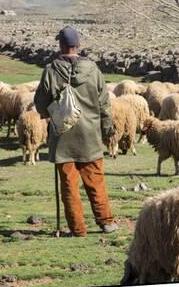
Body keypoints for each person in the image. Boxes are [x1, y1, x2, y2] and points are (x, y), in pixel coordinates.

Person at [34, 26, 118, 237]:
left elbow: (41, 105)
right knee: (95, 180)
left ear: (61, 45)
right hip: (90, 135)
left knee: (69, 186)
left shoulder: (51, 70)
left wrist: (52, 113)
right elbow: (104, 104)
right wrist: (108, 130)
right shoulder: (94, 71)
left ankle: (78, 229)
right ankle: (106, 221)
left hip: (63, 136)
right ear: (78, 46)